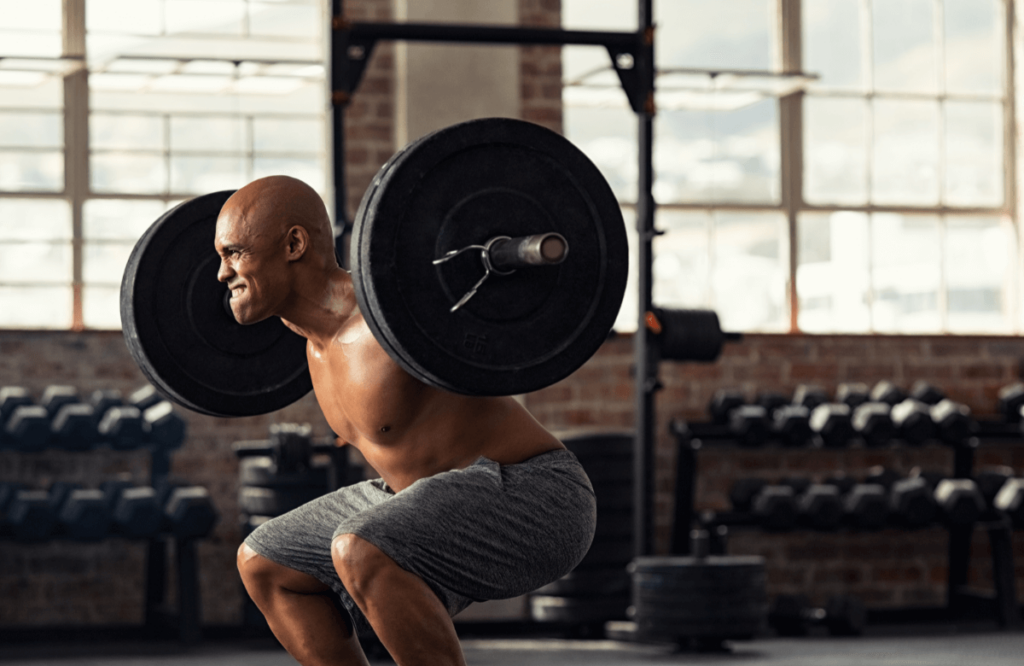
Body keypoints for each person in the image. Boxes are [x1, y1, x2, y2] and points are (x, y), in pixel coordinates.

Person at [222, 175, 597, 666]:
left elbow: (479, 310)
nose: (221, 272)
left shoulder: (396, 313)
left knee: (360, 547)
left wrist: (513, 259)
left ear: (293, 244)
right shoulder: (314, 347)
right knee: (265, 561)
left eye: (234, 253)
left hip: (537, 496)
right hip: (417, 495)